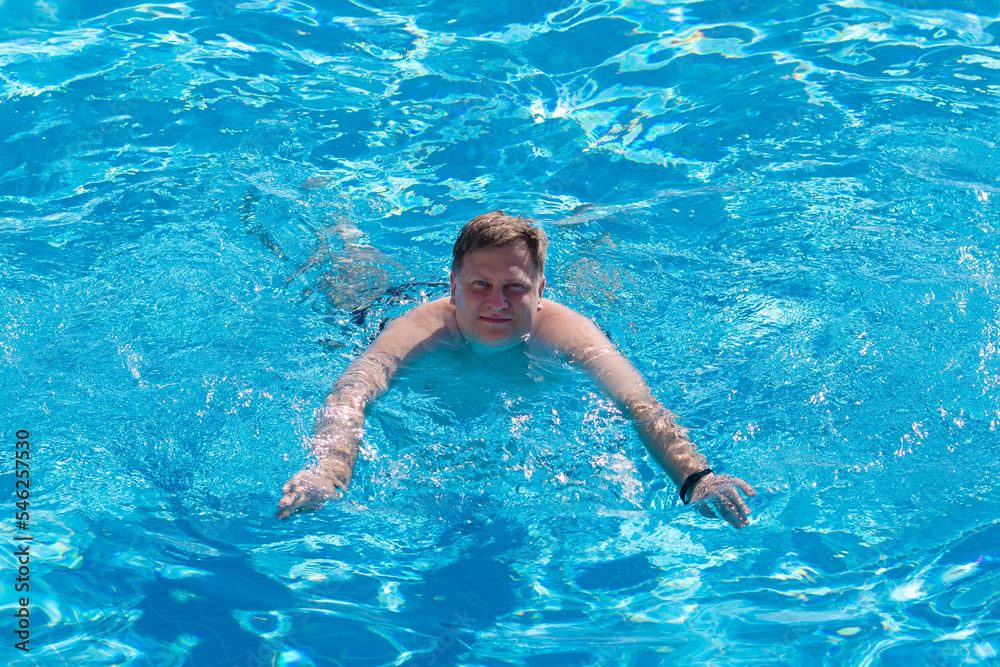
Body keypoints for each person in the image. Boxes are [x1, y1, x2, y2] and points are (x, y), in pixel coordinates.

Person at [276, 211, 756, 527]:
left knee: (601, 281)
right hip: (385, 306)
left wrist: (696, 478)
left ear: (541, 289)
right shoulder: (420, 328)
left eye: (516, 287)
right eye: (480, 284)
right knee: (347, 276)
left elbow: (639, 404)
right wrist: (330, 471)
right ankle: (344, 231)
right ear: (454, 285)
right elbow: (352, 391)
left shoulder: (566, 332)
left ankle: (587, 232)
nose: (497, 303)